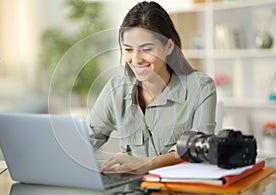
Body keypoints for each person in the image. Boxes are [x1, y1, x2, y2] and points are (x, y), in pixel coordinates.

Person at [86, 1, 217, 175]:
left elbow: (200, 148)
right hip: (133, 190)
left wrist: (148, 164)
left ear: (169, 46)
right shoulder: (115, 90)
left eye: (146, 49)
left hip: (182, 191)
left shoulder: (201, 88)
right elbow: (86, 140)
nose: (136, 59)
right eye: (128, 49)